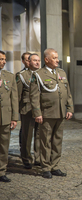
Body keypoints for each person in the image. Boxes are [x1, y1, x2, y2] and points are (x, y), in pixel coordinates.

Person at [30, 48, 74, 179]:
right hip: (47, 113)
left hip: (60, 112)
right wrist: (37, 113)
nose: (57, 60)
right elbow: (34, 96)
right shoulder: (38, 75)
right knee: (46, 141)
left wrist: (70, 108)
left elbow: (68, 92)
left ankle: (55, 166)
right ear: (46, 59)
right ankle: (46, 167)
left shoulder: (61, 72)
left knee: (57, 141)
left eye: (57, 57)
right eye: (54, 58)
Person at [16, 53, 41, 169]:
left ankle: (38, 157)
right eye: (34, 60)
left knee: (39, 134)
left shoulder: (41, 74)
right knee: (27, 134)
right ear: (28, 62)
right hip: (27, 109)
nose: (37, 63)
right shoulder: (22, 75)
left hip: (40, 109)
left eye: (38, 60)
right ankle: (26, 158)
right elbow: (18, 95)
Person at [0, 50, 18, 182]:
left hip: (5, 117)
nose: (4, 61)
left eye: (4, 59)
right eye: (1, 59)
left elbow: (14, 98)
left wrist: (14, 117)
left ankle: (1, 171)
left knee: (4, 146)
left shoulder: (9, 76)